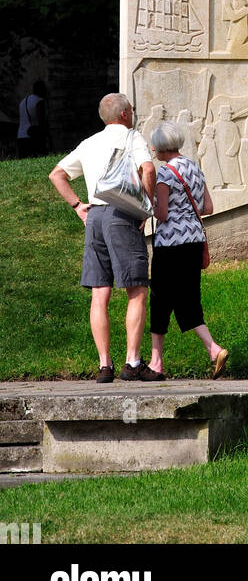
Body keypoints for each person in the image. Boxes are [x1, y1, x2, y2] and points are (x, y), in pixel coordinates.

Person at [48, 93, 159, 383]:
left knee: (100, 293)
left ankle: (104, 366)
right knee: (136, 289)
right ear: (124, 114)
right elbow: (148, 169)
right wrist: (147, 206)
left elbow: (57, 174)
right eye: (131, 110)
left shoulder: (89, 143)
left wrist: (77, 206)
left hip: (94, 216)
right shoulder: (132, 137)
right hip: (122, 215)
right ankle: (133, 363)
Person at [147, 122, 228, 379]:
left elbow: (162, 214)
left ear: (160, 148)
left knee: (160, 297)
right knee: (188, 296)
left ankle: (156, 363)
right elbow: (208, 207)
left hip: (171, 244)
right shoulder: (195, 167)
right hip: (193, 241)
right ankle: (212, 349)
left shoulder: (165, 173)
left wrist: (149, 200)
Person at [17, 79, 48, 157]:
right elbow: (41, 121)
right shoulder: (39, 101)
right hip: (33, 137)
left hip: (21, 136)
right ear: (41, 90)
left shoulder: (23, 102)